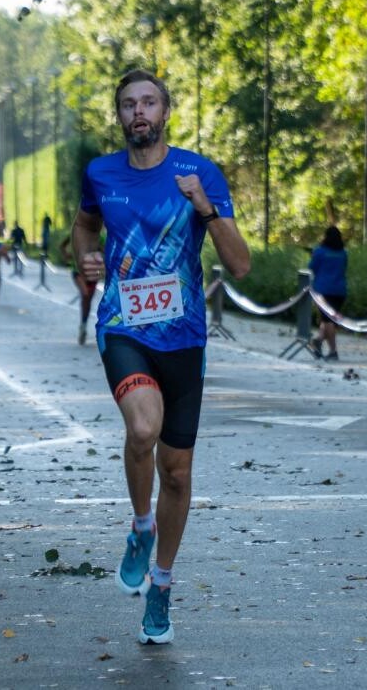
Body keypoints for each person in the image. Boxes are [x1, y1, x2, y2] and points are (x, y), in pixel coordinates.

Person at [72, 69, 250, 646]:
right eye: (129, 104)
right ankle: (140, 525)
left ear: (165, 111)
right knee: (142, 428)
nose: (139, 112)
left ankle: (162, 585)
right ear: (119, 115)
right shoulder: (101, 173)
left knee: (177, 473)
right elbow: (84, 226)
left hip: (184, 337)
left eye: (148, 102)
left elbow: (240, 265)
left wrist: (206, 209)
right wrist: (86, 259)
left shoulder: (198, 172)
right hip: (123, 325)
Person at [307, 226, 348, 361]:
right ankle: (318, 341)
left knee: (328, 321)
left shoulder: (320, 251)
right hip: (340, 290)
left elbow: (312, 267)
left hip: (323, 290)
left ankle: (333, 351)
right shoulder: (343, 253)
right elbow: (344, 268)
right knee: (328, 320)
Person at [60, 234, 98, 345]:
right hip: (78, 271)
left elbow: (106, 250)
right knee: (85, 294)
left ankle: (83, 324)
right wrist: (67, 256)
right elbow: (62, 246)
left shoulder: (99, 236)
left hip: (92, 272)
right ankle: (83, 325)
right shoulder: (77, 231)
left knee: (88, 301)